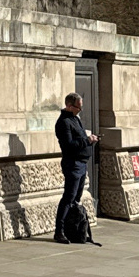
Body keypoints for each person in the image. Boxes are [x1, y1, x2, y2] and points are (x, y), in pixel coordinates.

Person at [53, 92, 100, 246]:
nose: (80, 110)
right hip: (72, 164)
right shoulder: (64, 122)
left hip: (81, 163)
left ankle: (71, 229)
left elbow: (78, 139)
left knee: (76, 199)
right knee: (68, 197)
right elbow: (69, 146)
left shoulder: (75, 119)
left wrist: (89, 140)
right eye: (78, 107)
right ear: (69, 106)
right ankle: (59, 231)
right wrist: (87, 140)